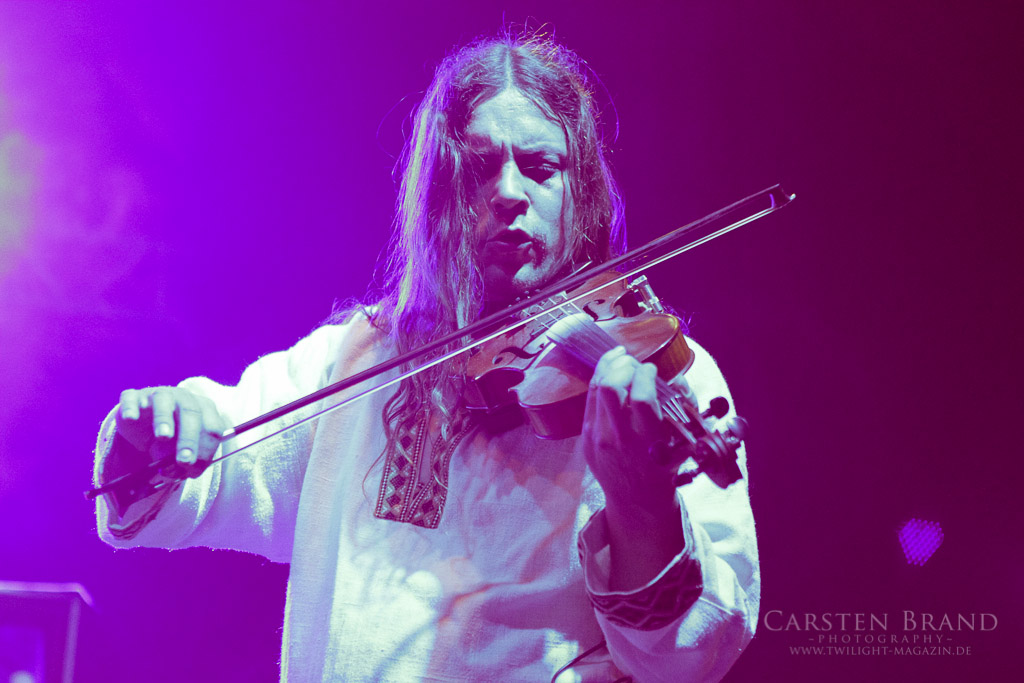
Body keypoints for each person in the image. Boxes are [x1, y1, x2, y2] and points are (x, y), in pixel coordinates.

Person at [93, 31, 759, 682]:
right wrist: (163, 431)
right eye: (479, 168)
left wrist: (642, 504)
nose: (508, 191)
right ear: (441, 192)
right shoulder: (360, 355)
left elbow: (695, 655)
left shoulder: (653, 372)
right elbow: (226, 448)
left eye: (540, 167)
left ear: (578, 192)